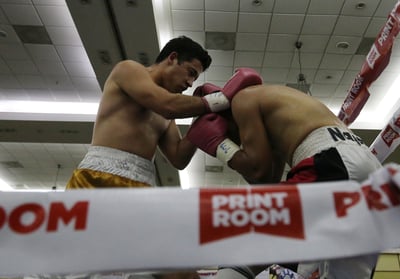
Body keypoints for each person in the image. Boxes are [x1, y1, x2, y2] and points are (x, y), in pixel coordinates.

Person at [186, 84, 383, 279]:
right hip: (370, 172)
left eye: (228, 134)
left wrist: (220, 146)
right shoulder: (275, 116)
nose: (237, 140)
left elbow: (256, 169)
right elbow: (265, 182)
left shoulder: (243, 99)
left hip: (334, 162)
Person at [65, 36, 262, 189]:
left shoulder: (168, 112)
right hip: (97, 175)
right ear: (172, 58)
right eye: (191, 72)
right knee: (76, 240)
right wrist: (220, 100)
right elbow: (166, 105)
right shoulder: (128, 70)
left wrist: (201, 124)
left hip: (142, 183)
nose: (190, 83)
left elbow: (178, 158)